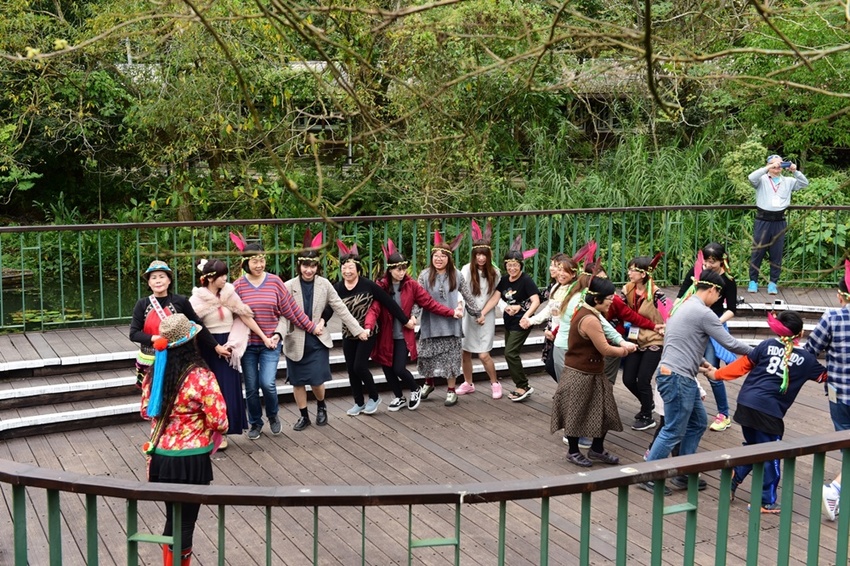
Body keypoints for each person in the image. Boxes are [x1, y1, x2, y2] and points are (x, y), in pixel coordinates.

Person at [701, 310, 827, 514]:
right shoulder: (806, 359)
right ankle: (766, 500)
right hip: (768, 412)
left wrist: (717, 374)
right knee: (771, 454)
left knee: (755, 447)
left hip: (746, 403)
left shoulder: (766, 345)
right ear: (800, 334)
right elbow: (826, 376)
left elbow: (741, 366)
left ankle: (736, 475)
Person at [639, 269, 752, 495]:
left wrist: (700, 361)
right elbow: (729, 343)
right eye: (719, 295)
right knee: (672, 430)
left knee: (698, 422)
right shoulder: (704, 313)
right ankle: (648, 475)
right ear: (712, 289)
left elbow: (680, 340)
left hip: (676, 374)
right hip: (678, 378)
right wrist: (758, 353)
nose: (718, 300)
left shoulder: (684, 306)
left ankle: (683, 473)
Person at [140, 313, 228, 566]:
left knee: (172, 517)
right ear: (192, 341)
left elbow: (146, 410)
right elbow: (220, 420)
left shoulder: (154, 374)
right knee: (187, 522)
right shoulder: (201, 376)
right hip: (191, 459)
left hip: (161, 458)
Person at [231, 240, 317, 440]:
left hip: (271, 343)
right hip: (248, 345)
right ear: (246, 262)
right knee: (251, 387)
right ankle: (255, 422)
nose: (259, 265)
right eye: (254, 261)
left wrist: (311, 327)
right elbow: (233, 315)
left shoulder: (275, 282)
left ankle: (273, 415)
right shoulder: (238, 286)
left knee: (267, 383)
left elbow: (291, 310)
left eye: (261, 260)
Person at [284, 229, 368, 426]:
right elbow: (281, 314)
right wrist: (276, 335)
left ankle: (321, 405)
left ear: (317, 266)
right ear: (299, 265)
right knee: (297, 382)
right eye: (305, 265)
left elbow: (341, 308)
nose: (308, 270)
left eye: (312, 266)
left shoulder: (325, 285)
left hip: (317, 339)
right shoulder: (288, 286)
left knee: (316, 381)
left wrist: (358, 330)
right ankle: (303, 415)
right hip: (295, 339)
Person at [189, 258, 273, 449]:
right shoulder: (196, 299)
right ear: (210, 278)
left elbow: (244, 314)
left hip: (229, 347)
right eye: (222, 276)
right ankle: (208, 430)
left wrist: (264, 336)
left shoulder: (229, 294)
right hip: (208, 348)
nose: (226, 279)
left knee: (228, 389)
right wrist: (213, 347)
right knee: (209, 391)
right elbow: (194, 326)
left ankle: (223, 431)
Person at [550, 276, 633, 467]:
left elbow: (609, 332)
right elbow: (605, 349)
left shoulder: (591, 311)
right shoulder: (589, 319)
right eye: (609, 298)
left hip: (594, 372)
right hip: (579, 373)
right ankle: (572, 451)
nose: (612, 301)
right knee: (576, 412)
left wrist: (621, 341)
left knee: (605, 410)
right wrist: (625, 350)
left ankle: (596, 449)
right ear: (597, 299)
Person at [370, 240, 460, 410]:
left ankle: (415, 388)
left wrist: (451, 312)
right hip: (385, 335)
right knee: (387, 369)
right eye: (398, 269)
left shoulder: (411, 286)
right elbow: (374, 308)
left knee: (398, 368)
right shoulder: (381, 286)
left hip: (402, 334)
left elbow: (429, 303)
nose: (401, 272)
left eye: (404, 268)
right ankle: (399, 397)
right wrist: (368, 326)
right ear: (390, 269)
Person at [328, 240, 412, 413]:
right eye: (344, 267)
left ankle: (374, 397)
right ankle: (359, 402)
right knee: (351, 370)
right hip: (348, 333)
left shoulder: (368, 285)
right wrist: (321, 322)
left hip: (368, 332)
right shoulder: (337, 288)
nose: (347, 270)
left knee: (359, 366)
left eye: (351, 267)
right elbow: (329, 309)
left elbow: (390, 303)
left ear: (358, 269)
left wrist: (405, 320)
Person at [130, 260, 228, 388]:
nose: (158, 281)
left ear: (169, 280)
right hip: (151, 358)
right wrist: (156, 339)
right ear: (149, 282)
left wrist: (216, 346)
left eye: (161, 276)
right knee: (150, 396)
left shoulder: (180, 301)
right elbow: (134, 334)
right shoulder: (142, 304)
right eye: (153, 278)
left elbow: (197, 324)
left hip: (176, 358)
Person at [677, 243, 738, 433]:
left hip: (713, 326)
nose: (709, 265)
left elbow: (732, 309)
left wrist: (716, 323)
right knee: (686, 367)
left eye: (713, 261)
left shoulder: (727, 280)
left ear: (722, 260)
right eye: (707, 261)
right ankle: (687, 410)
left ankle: (723, 414)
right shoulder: (696, 274)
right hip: (692, 325)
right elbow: (680, 297)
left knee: (711, 369)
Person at [806, 261, 850, 521]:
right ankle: (835, 489)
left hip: (838, 394)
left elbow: (811, 351)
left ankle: (838, 490)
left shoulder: (832, 317)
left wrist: (825, 372)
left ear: (841, 295)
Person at [417, 230, 480, 407]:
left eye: (443, 256)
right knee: (427, 357)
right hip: (430, 324)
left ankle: (451, 391)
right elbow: (417, 298)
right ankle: (429, 384)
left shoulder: (457, 275)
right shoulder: (424, 275)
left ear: (449, 258)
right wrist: (412, 316)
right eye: (436, 255)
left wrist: (477, 313)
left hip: (451, 325)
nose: (439, 259)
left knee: (451, 360)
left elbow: (467, 296)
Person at [479, 236, 541, 402]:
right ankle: (521, 385)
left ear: (521, 265)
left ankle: (523, 385)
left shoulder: (526, 280)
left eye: (515, 265)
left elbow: (536, 300)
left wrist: (526, 316)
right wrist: (482, 313)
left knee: (510, 353)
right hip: (509, 321)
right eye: (509, 265)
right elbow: (495, 298)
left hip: (522, 322)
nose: (512, 268)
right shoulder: (505, 280)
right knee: (511, 353)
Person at [747, 154, 809, 295]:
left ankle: (773, 283)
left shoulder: (788, 181)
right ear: (769, 165)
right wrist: (768, 167)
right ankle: (753, 281)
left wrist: (794, 171)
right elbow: (751, 177)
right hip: (763, 219)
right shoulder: (761, 180)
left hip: (779, 221)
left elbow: (804, 183)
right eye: (774, 164)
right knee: (758, 251)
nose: (777, 167)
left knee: (776, 253)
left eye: (780, 164)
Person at [622, 254, 669, 431]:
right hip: (635, 338)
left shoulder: (657, 294)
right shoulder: (627, 289)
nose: (629, 273)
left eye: (632, 270)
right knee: (627, 378)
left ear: (643, 273)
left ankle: (647, 416)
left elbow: (669, 314)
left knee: (643, 379)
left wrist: (665, 326)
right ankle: (647, 403)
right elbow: (619, 307)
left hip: (654, 339)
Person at [458, 220, 503, 397]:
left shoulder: (495, 272)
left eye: (484, 255)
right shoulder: (466, 270)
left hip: (486, 315)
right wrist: (462, 307)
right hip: (468, 316)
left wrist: (482, 313)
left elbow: (496, 295)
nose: (481, 258)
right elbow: (461, 292)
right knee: (465, 351)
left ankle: (495, 382)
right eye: (478, 254)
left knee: (484, 354)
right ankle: (468, 382)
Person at [524, 253, 574, 382]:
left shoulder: (574, 291)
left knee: (558, 366)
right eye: (552, 265)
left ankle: (568, 393)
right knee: (551, 366)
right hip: (553, 332)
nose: (552, 269)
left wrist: (554, 332)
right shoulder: (555, 287)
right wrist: (529, 320)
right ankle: (565, 393)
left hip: (564, 334)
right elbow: (549, 309)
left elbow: (568, 316)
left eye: (557, 266)